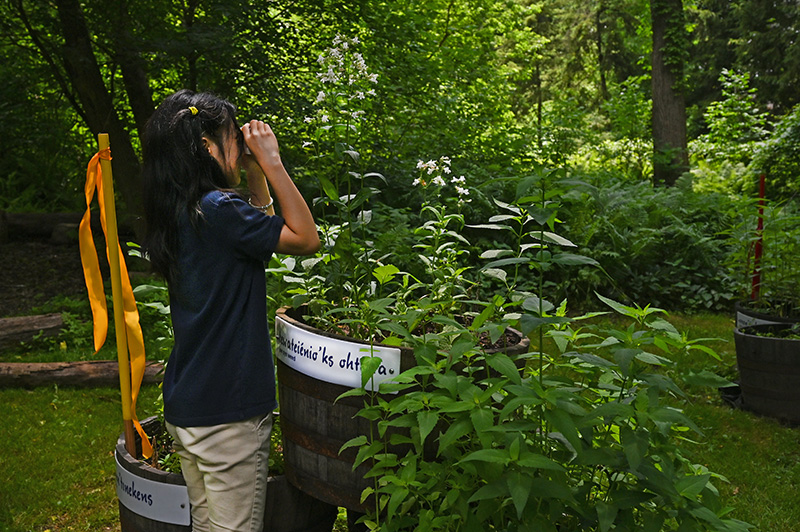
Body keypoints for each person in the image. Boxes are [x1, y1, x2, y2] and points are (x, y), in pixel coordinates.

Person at [140, 89, 320, 532]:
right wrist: (273, 163)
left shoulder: (183, 209)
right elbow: (305, 239)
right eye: (231, 138)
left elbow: (258, 241)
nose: (241, 147)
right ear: (205, 147)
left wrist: (254, 175)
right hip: (228, 412)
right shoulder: (221, 211)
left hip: (189, 404)